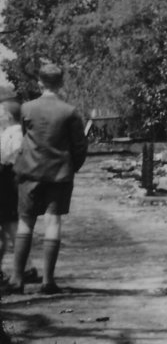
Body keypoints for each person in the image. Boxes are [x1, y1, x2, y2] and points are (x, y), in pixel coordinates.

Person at [10, 64, 87, 295]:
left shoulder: (26, 108)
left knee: (25, 223)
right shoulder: (70, 111)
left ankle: (16, 279)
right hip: (59, 174)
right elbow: (79, 146)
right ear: (61, 83)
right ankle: (48, 282)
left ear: (40, 83)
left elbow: (24, 137)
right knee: (53, 223)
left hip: (29, 173)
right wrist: (73, 166)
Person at [0, 85, 21, 285]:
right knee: (8, 226)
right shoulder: (8, 131)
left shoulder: (13, 132)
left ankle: (26, 265)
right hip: (5, 177)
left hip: (7, 178)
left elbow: (14, 154)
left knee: (10, 224)